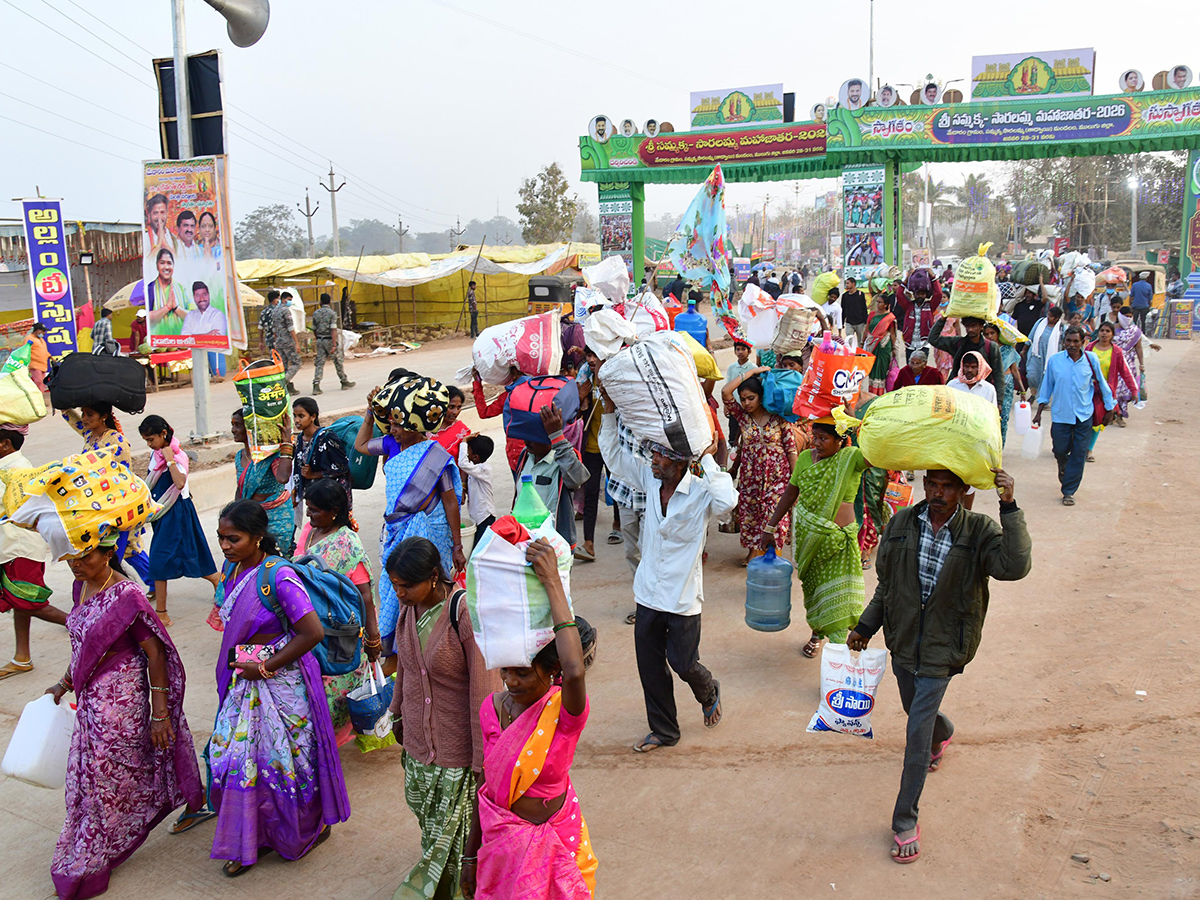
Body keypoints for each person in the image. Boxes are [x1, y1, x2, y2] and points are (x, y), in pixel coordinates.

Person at [847, 467, 1030, 864]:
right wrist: (866, 625)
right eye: (932, 484)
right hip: (903, 639)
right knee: (918, 712)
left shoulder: (979, 531)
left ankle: (904, 820)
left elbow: (1014, 567)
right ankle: (942, 732)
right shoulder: (901, 524)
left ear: (963, 489)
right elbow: (887, 585)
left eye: (947, 486)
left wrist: (1009, 505)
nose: (938, 493)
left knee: (915, 732)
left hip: (944, 647)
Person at [48, 532, 203, 899]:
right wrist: (63, 683)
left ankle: (97, 853)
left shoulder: (127, 596)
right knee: (92, 780)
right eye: (71, 557)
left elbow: (156, 653)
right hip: (90, 704)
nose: (76, 564)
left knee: (107, 777)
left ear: (108, 554)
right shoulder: (80, 587)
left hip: (122, 705)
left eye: (85, 556)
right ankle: (95, 843)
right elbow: (83, 644)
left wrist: (160, 714)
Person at [208, 500, 350, 877]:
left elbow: (312, 632)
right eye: (221, 538)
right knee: (239, 761)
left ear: (258, 537)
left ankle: (302, 830)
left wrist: (266, 666)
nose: (225, 546)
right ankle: (249, 836)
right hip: (245, 683)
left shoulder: (279, 577)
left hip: (283, 686)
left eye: (233, 538)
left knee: (287, 763)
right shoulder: (233, 571)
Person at [598, 383, 735, 752]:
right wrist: (609, 411)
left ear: (680, 462)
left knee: (683, 662)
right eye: (653, 455)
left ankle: (708, 688)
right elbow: (612, 455)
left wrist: (706, 459)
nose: (653, 461)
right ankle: (665, 730)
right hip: (648, 592)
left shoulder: (702, 491)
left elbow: (727, 500)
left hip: (681, 596)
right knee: (650, 666)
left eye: (661, 457)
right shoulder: (647, 477)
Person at [465, 540, 599, 900]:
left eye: (523, 673)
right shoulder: (491, 709)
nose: (510, 680)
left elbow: (575, 672)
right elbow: (485, 785)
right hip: (502, 844)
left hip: (554, 842)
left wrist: (552, 580)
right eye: (506, 670)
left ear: (552, 671)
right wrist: (468, 857)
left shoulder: (564, 715)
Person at [385, 536, 500, 900]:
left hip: (457, 753)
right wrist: (396, 711)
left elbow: (483, 692)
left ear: (434, 577)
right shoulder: (409, 610)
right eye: (394, 585)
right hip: (419, 747)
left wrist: (483, 759)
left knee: (455, 837)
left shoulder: (463, 614)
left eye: (405, 585)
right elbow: (405, 664)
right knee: (432, 829)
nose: (398, 593)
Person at [355, 380, 466, 652]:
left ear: (415, 427)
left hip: (427, 530)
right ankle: (400, 644)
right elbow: (361, 446)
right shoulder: (392, 445)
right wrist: (369, 414)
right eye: (390, 424)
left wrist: (457, 545)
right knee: (396, 587)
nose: (392, 429)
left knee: (424, 586)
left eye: (396, 425)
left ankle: (430, 642)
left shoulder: (436, 456)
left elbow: (451, 503)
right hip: (396, 530)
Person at [764, 417, 869, 657]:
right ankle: (817, 633)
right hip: (810, 540)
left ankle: (838, 650)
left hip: (840, 543)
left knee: (842, 595)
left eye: (824, 438)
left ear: (840, 441)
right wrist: (770, 527)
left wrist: (860, 423)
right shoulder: (804, 459)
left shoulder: (850, 458)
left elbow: (875, 456)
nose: (817, 443)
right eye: (815, 436)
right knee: (815, 591)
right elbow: (790, 493)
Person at [295, 479, 382, 746]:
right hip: (305, 623)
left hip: (336, 630)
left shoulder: (347, 543)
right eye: (308, 508)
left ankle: (329, 745)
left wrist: (373, 638)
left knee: (335, 693)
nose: (309, 515)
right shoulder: (309, 531)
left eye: (315, 510)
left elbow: (364, 595)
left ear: (334, 511)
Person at [137, 415, 220, 627]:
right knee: (190, 553)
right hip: (162, 512)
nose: (149, 444)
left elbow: (180, 483)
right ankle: (217, 580)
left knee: (159, 559)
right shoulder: (155, 455)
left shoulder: (177, 455)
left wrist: (170, 459)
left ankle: (162, 613)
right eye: (146, 440)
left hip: (178, 512)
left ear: (163, 434)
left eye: (151, 439)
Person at [0, 426, 67, 680]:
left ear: (6, 443)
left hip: (19, 547)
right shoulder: (13, 464)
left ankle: (84, 624)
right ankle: (22, 657)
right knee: (22, 604)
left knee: (29, 602)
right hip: (15, 546)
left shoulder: (12, 470)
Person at [62, 404, 151, 586]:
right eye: (83, 414)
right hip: (94, 506)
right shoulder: (90, 435)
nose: (84, 418)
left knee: (122, 551)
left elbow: (124, 478)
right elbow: (74, 421)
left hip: (114, 508)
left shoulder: (116, 441)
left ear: (104, 416)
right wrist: (63, 405)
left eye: (90, 414)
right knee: (123, 550)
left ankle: (145, 585)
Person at [722, 367, 798, 565]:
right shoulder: (743, 418)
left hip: (778, 481)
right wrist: (752, 372)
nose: (746, 403)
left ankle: (775, 562)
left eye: (751, 398)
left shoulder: (779, 417)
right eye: (743, 398)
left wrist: (797, 481)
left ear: (761, 396)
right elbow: (725, 392)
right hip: (751, 482)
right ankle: (755, 558)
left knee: (777, 522)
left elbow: (791, 450)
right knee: (753, 520)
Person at [1033, 325, 1114, 506]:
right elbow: (1047, 386)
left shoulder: (1090, 359)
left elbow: (1102, 383)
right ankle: (1063, 467)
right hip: (1061, 415)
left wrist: (1110, 408)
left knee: (1079, 454)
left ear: (1083, 342)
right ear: (1064, 342)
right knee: (1060, 450)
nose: (1072, 344)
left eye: (1076, 341)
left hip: (1084, 416)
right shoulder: (1055, 361)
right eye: (1068, 341)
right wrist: (1039, 412)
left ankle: (1069, 491)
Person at [515, 404, 590, 550]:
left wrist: (557, 436)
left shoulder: (564, 459)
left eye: (534, 436)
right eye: (526, 435)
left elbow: (578, 479)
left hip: (556, 543)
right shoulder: (525, 456)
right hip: (526, 538)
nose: (527, 441)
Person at [231, 408, 295, 557]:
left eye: (238, 425)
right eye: (232, 425)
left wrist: (286, 442)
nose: (233, 430)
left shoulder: (269, 455)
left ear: (250, 429)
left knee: (275, 562)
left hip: (275, 518)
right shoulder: (239, 456)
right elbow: (241, 488)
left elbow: (283, 477)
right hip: (250, 519)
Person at [1085, 321, 1140, 460]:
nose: (1104, 333)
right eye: (1102, 330)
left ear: (1112, 334)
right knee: (1082, 419)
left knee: (1098, 419)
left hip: (1105, 392)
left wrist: (1134, 391)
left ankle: (1089, 450)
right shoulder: (1089, 348)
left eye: (1108, 331)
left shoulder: (1116, 352)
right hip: (1086, 389)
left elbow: (1125, 372)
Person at [292, 396, 353, 516]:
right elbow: (299, 467)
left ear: (313, 416)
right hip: (315, 497)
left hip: (333, 497)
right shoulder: (300, 439)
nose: (297, 420)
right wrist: (296, 491)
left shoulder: (327, 437)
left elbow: (342, 466)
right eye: (294, 416)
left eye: (301, 416)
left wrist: (313, 475)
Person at [928, 315, 1005, 404]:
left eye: (974, 326)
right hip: (958, 390)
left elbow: (998, 374)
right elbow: (933, 339)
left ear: (981, 327)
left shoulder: (991, 347)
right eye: (968, 326)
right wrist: (943, 319)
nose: (970, 329)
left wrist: (999, 401)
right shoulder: (958, 343)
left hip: (981, 392)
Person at [1114, 305, 1160, 421]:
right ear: (1120, 316)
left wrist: (1141, 364)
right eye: (1126, 316)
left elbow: (1138, 347)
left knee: (1125, 389)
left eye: (1130, 317)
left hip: (1128, 364)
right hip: (1113, 362)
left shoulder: (1135, 331)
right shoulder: (1111, 329)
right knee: (1114, 388)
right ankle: (1114, 412)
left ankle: (1120, 415)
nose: (1128, 319)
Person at [982, 324, 1026, 445]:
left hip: (1006, 386)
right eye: (986, 334)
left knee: (1003, 417)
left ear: (998, 334)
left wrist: (1022, 390)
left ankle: (1000, 446)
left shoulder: (1008, 350)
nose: (990, 336)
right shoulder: (984, 349)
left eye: (992, 333)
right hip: (988, 385)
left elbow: (1014, 370)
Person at [311, 292, 354, 394]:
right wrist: (334, 344)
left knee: (319, 363)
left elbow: (314, 329)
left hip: (320, 340)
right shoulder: (332, 313)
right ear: (329, 302)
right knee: (338, 361)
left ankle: (316, 385)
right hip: (329, 339)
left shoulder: (316, 313)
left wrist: (318, 338)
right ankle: (344, 381)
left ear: (320, 302)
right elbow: (333, 329)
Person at [458, 434, 497, 546]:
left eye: (468, 451)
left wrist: (464, 441)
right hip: (479, 516)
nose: (466, 455)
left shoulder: (484, 469)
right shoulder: (475, 468)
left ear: (475, 457)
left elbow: (462, 463)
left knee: (480, 548)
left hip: (485, 516)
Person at [145, 248, 190, 333]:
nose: (166, 267)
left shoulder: (181, 288)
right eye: (162, 263)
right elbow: (148, 319)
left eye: (169, 263)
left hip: (182, 341)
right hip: (160, 343)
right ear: (157, 265)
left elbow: (193, 318)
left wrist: (176, 308)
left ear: (173, 265)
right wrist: (167, 307)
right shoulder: (150, 288)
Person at [863, 294, 900, 394]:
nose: (878, 304)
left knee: (883, 370)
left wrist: (894, 349)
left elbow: (892, 334)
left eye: (880, 302)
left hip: (884, 346)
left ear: (886, 305)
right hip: (872, 346)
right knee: (872, 370)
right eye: (877, 302)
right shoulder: (872, 315)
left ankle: (880, 394)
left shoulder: (890, 317)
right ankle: (872, 392)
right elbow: (866, 330)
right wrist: (862, 343)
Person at [1025, 306, 1064, 395]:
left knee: (1046, 378)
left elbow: (1063, 343)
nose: (1048, 317)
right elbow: (1030, 337)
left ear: (1057, 318)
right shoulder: (1040, 323)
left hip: (1050, 357)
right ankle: (1035, 393)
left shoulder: (1061, 328)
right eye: (1048, 314)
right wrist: (1024, 350)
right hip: (1036, 354)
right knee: (1031, 375)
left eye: (1051, 316)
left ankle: (1040, 398)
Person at [724, 341, 756, 447]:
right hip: (734, 405)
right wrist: (726, 405)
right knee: (733, 429)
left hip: (748, 406)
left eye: (743, 349)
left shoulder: (753, 368)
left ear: (749, 351)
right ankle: (733, 448)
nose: (740, 352)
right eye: (738, 349)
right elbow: (728, 386)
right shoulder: (731, 368)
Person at [272, 291, 302, 393]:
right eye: (289, 300)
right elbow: (290, 328)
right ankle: (284, 382)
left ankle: (287, 389)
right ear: (283, 299)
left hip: (279, 341)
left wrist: (276, 341)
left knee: (283, 365)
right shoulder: (286, 311)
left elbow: (274, 329)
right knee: (297, 362)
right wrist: (296, 343)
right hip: (287, 341)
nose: (290, 302)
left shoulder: (275, 311)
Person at [434, 385, 470, 457]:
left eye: (459, 407)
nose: (455, 412)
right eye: (451, 407)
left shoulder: (463, 432)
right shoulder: (425, 428)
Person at [27, 322, 51, 406]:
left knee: (42, 383)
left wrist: (51, 357)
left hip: (42, 365)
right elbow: (26, 351)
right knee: (38, 382)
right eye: (43, 331)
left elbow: (44, 351)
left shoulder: (41, 340)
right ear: (37, 330)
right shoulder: (29, 339)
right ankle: (37, 401)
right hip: (34, 365)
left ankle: (40, 400)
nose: (44, 333)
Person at [841, 277, 869, 345]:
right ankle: (850, 354)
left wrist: (866, 321)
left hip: (860, 322)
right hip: (849, 322)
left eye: (848, 283)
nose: (846, 285)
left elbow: (864, 308)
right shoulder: (845, 296)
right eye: (846, 283)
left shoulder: (860, 294)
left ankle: (860, 354)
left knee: (861, 341)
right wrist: (842, 322)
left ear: (853, 284)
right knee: (849, 341)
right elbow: (843, 309)